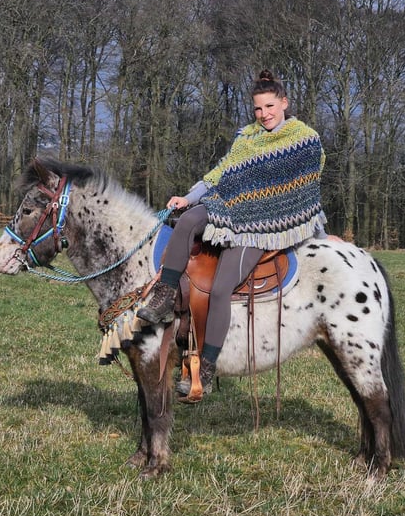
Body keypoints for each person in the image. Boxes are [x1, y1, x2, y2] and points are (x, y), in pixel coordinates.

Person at [137, 69, 327, 395]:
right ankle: (165, 296)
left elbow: (307, 194)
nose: (264, 114)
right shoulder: (246, 137)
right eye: (258, 108)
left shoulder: (304, 140)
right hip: (227, 208)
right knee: (185, 221)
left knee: (222, 288)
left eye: (269, 106)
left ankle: (206, 369)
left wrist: (322, 237)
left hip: (262, 227)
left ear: (284, 103)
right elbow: (218, 174)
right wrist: (188, 197)